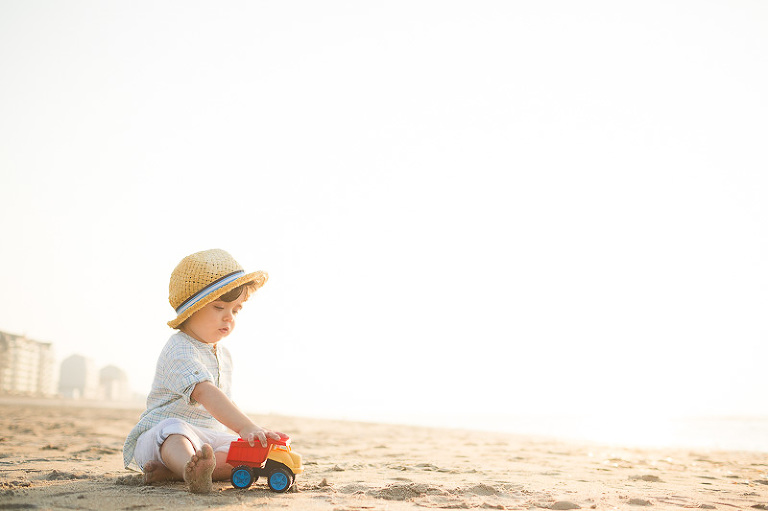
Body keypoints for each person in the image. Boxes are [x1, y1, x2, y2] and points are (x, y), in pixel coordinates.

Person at [122, 248, 280, 493]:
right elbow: (205, 393)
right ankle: (187, 465)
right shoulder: (179, 348)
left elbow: (225, 402)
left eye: (236, 310)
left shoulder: (223, 355)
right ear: (191, 310)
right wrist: (246, 427)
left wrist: (252, 432)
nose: (229, 318)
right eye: (219, 308)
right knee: (174, 432)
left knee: (248, 453)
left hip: (207, 438)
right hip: (160, 436)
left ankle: (184, 472)